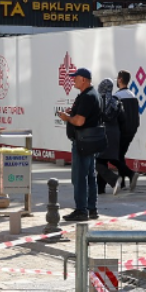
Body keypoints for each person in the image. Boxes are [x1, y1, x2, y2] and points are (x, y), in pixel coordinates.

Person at [57, 67, 102, 222]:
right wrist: (73, 112)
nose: (73, 80)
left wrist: (67, 117)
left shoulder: (87, 96)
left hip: (82, 142)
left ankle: (81, 210)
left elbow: (79, 121)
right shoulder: (92, 95)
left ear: (83, 80)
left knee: (79, 177)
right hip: (90, 142)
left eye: (75, 78)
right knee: (90, 176)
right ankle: (92, 209)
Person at [95, 78, 125, 196]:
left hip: (101, 133)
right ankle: (100, 189)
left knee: (96, 161)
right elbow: (122, 119)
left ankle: (113, 179)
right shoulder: (116, 102)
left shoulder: (98, 101)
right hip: (114, 134)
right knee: (102, 161)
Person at [115, 70, 140, 192]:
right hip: (131, 130)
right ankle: (123, 181)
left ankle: (129, 175)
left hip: (121, 131)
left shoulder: (118, 96)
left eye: (117, 78)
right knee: (120, 155)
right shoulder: (132, 95)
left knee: (115, 156)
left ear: (120, 79)